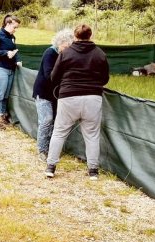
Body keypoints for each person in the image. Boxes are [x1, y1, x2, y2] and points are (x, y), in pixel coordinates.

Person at [44, 24, 109, 180]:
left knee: (59, 133)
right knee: (92, 135)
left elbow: (54, 77)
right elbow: (105, 78)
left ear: (75, 36)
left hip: (68, 97)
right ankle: (93, 171)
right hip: (93, 98)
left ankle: (51, 167)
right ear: (90, 35)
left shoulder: (66, 53)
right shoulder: (100, 54)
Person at [32, 29, 74, 162]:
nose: (67, 49)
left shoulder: (65, 55)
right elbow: (48, 74)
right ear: (60, 43)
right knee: (46, 120)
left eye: (69, 47)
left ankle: (52, 149)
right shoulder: (50, 53)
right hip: (43, 92)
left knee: (55, 121)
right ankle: (42, 150)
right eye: (66, 47)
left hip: (56, 94)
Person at [0, 15, 22, 130]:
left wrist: (17, 61)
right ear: (8, 24)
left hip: (10, 70)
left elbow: (14, 51)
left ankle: (2, 117)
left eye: (16, 28)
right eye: (14, 27)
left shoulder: (12, 37)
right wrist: (5, 53)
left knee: (5, 96)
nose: (15, 29)